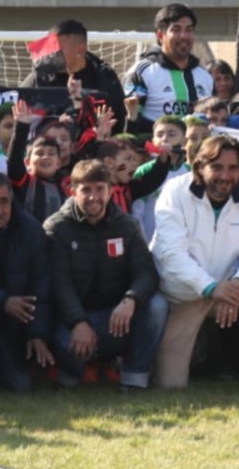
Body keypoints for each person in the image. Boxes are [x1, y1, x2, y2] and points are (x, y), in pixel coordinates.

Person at [150, 136, 239, 398]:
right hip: (183, 293)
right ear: (200, 166)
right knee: (170, 387)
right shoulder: (175, 191)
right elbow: (172, 254)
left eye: (233, 168)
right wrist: (211, 287)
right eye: (217, 167)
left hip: (228, 288)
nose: (226, 175)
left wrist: (238, 284)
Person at [43, 160, 163, 390]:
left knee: (157, 306)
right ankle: (72, 373)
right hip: (71, 318)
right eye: (86, 189)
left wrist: (131, 299)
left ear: (110, 191)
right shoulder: (56, 228)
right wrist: (78, 322)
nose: (93, 196)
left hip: (115, 316)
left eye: (100, 189)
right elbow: (59, 283)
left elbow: (146, 272)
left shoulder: (127, 225)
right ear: (72, 190)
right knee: (66, 342)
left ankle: (133, 379)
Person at [127, 4, 213, 130]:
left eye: (189, 29)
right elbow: (131, 123)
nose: (184, 36)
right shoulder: (142, 73)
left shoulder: (205, 76)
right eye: (176, 30)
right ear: (161, 36)